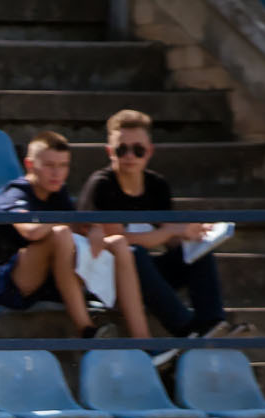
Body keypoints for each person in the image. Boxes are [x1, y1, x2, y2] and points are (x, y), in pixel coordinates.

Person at [0, 131, 148, 341]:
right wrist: (66, 221)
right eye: (49, 165)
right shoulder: (15, 194)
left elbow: (78, 226)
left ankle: (144, 343)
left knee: (118, 243)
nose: (57, 173)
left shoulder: (57, 192)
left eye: (63, 166)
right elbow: (32, 231)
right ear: (29, 165)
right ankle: (87, 331)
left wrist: (93, 229)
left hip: (43, 278)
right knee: (60, 233)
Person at [86, 108, 233, 347]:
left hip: (144, 276)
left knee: (199, 251)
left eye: (138, 149)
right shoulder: (101, 185)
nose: (130, 156)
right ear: (109, 151)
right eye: (121, 149)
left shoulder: (157, 185)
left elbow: (171, 236)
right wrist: (171, 232)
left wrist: (195, 235)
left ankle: (212, 322)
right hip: (108, 280)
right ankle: (185, 327)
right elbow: (117, 239)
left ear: (150, 151)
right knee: (136, 254)